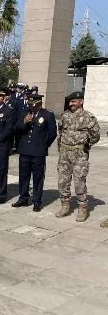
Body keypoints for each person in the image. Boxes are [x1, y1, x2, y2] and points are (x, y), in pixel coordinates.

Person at [55, 91, 100, 221]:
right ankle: (65, 206)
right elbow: (61, 131)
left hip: (80, 154)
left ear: (81, 102)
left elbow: (96, 136)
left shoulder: (88, 117)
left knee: (79, 181)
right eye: (70, 102)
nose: (71, 104)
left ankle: (82, 208)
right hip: (64, 153)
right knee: (63, 181)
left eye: (73, 101)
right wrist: (62, 147)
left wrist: (86, 145)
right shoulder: (65, 115)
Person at [11, 94, 57, 212]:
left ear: (39, 103)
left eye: (34, 104)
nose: (31, 106)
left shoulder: (47, 114)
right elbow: (16, 129)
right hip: (25, 150)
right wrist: (24, 122)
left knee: (37, 178)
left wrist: (43, 145)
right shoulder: (24, 113)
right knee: (23, 176)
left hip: (38, 152)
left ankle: (37, 201)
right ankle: (23, 198)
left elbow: (52, 134)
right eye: (30, 104)